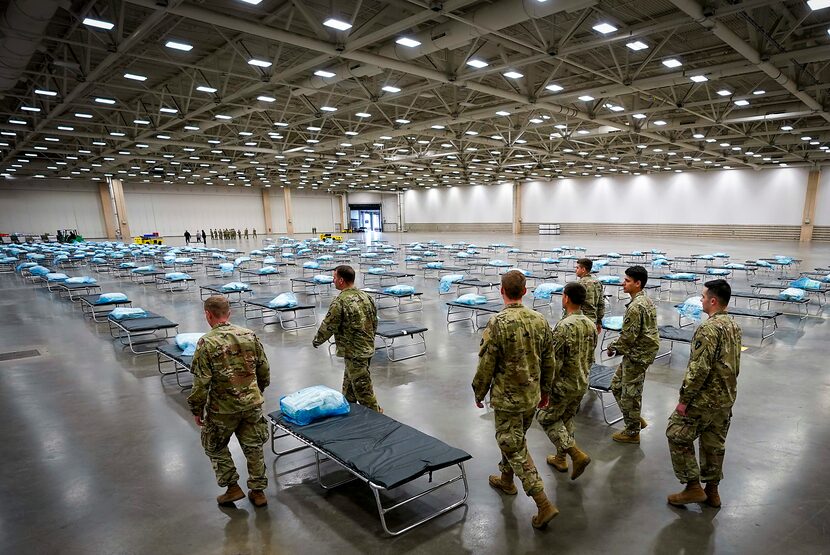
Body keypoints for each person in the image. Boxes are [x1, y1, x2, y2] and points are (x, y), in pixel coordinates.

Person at [473, 270, 559, 530]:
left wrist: (479, 391)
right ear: (525, 291)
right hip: (531, 396)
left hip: (507, 399)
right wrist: (545, 391)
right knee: (514, 439)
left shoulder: (497, 323)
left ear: (501, 291)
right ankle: (506, 479)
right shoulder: (540, 320)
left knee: (512, 444)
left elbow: (486, 363)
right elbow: (549, 360)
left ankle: (542, 501)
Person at [188, 296, 271, 508]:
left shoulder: (206, 343)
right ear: (229, 313)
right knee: (253, 446)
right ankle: (258, 491)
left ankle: (232, 488)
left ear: (208, 314)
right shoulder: (248, 335)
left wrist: (197, 409)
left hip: (222, 409)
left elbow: (201, 382)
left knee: (214, 445)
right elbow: (263, 369)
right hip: (252, 404)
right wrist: (257, 391)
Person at [666, 279, 741, 508]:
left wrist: (684, 400)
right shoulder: (734, 326)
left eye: (703, 296)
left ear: (713, 300)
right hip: (725, 398)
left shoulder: (708, 328)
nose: (701, 300)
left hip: (704, 399)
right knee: (714, 444)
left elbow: (699, 369)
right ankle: (713, 491)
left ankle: (692, 487)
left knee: (676, 433)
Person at [537, 282, 597, 480]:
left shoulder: (563, 326)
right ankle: (560, 459)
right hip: (581, 382)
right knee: (566, 419)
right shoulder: (590, 324)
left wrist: (544, 389)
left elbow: (554, 362)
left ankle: (575, 454)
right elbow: (591, 356)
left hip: (563, 386)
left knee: (546, 418)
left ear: (567, 298)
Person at [312, 265, 381, 411]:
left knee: (364, 392)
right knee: (349, 387)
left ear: (341, 280)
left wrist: (317, 340)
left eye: (335, 277)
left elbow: (329, 325)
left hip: (354, 352)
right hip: (365, 348)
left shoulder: (341, 301)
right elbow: (375, 321)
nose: (333, 280)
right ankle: (349, 413)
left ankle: (377, 418)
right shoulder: (366, 297)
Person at [607, 265, 659, 444]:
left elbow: (628, 338)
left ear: (638, 283)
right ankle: (634, 418)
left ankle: (632, 432)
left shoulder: (636, 307)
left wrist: (612, 347)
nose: (623, 283)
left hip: (638, 355)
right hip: (639, 352)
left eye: (627, 281)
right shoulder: (645, 300)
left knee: (630, 393)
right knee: (616, 385)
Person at [575, 258, 604, 333]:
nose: (576, 270)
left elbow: (574, 305)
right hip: (593, 320)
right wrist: (599, 321)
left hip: (581, 320)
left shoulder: (579, 284)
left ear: (583, 269)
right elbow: (601, 304)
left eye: (577, 268)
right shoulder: (597, 282)